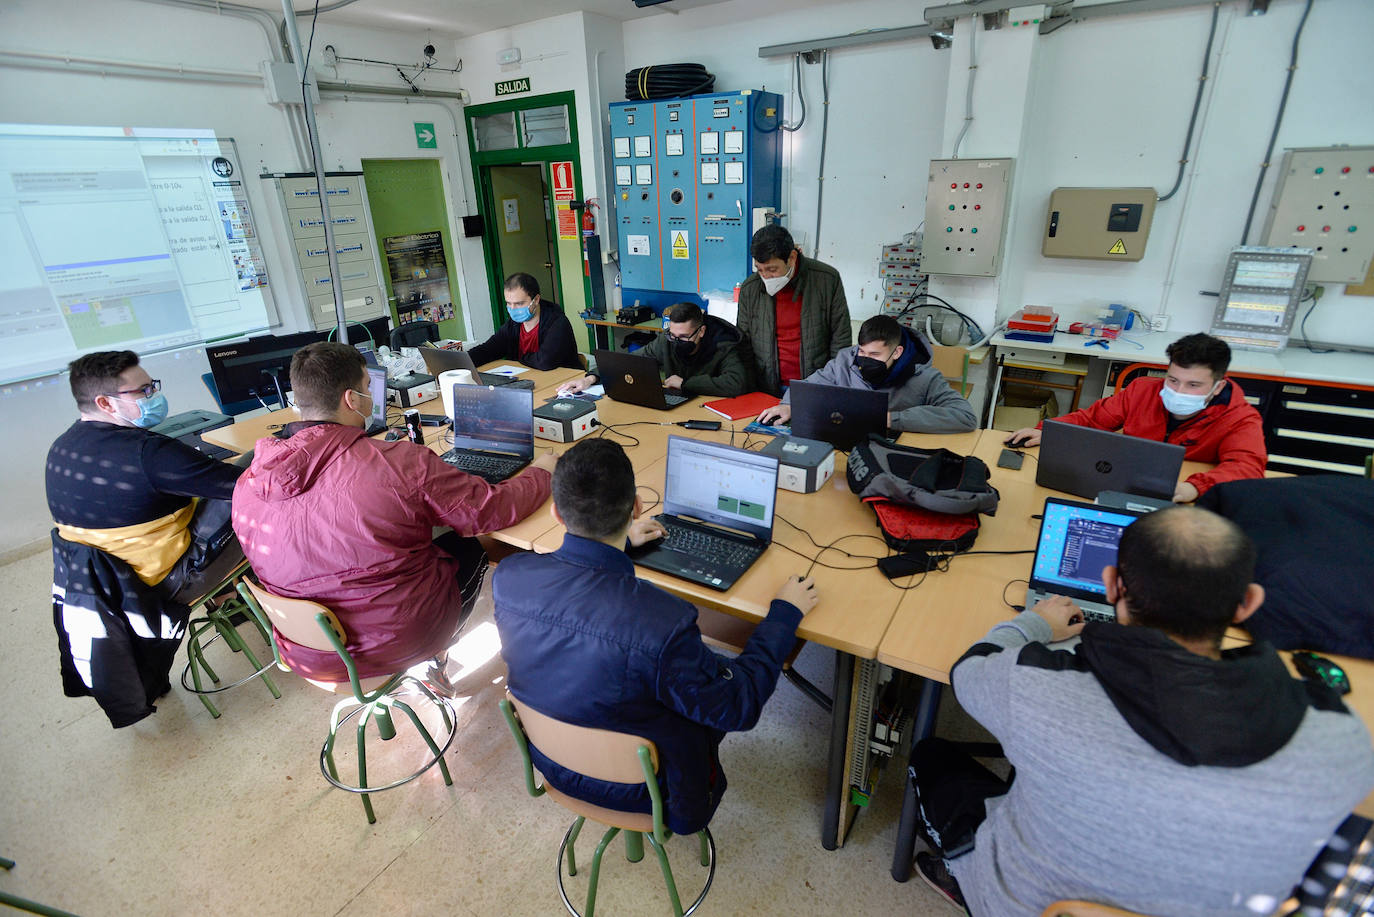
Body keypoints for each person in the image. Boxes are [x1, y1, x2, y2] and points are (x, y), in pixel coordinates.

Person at [912, 507, 1374, 917]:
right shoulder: (1342, 742)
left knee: (930, 755)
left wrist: (1033, 623)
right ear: (1247, 604)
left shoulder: (1035, 685)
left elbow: (969, 671)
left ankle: (967, 883)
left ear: (1112, 584)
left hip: (1024, 904)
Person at [492, 438, 818, 835]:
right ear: (636, 508)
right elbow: (739, 708)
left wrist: (620, 546)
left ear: (557, 514)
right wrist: (784, 615)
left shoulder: (510, 579)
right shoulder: (663, 623)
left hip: (555, 767)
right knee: (712, 678)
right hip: (654, 795)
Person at [232, 342, 556, 686]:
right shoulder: (397, 463)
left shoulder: (249, 481)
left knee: (406, 534)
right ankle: (437, 654)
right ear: (351, 400)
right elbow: (490, 511)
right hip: (394, 641)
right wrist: (544, 473)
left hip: (309, 651)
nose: (373, 398)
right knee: (472, 545)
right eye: (368, 388)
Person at [46, 350, 244, 601]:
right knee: (256, 486)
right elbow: (247, 485)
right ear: (105, 403)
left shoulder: (62, 447)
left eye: (152, 386)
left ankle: (226, 600)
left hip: (105, 584)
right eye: (144, 391)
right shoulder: (147, 453)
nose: (154, 395)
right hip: (166, 583)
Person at [1005, 332, 1266, 502]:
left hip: (1181, 500)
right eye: (1173, 380)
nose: (1178, 391)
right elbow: (1092, 419)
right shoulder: (1142, 390)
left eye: (1193, 385)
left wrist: (1194, 487)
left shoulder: (1240, 417)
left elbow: (1247, 466)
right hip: (1123, 485)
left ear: (1218, 386)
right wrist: (1048, 430)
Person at [757, 314, 977, 433]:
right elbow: (809, 387)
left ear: (897, 352)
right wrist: (789, 405)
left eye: (874, 354)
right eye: (861, 351)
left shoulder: (925, 378)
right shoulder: (845, 361)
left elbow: (965, 417)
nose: (864, 360)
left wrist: (890, 418)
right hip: (846, 448)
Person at [736, 224, 851, 395]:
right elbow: (743, 343)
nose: (765, 276)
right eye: (760, 270)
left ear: (792, 257)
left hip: (815, 384)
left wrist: (833, 385)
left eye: (772, 269)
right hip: (766, 388)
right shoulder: (751, 288)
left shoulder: (826, 280)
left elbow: (840, 340)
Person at [556, 301, 755, 398]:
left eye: (684, 337)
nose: (676, 341)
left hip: (711, 411)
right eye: (673, 335)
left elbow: (736, 383)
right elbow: (630, 363)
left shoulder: (724, 345)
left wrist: (686, 383)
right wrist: (590, 378)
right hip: (677, 409)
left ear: (701, 331)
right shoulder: (666, 342)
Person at [466, 272, 581, 371]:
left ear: (536, 300)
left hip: (563, 382)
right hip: (528, 379)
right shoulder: (513, 324)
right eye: (509, 303)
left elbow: (545, 361)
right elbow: (490, 349)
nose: (513, 309)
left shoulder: (558, 322)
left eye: (519, 303)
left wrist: (519, 358)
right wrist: (463, 361)